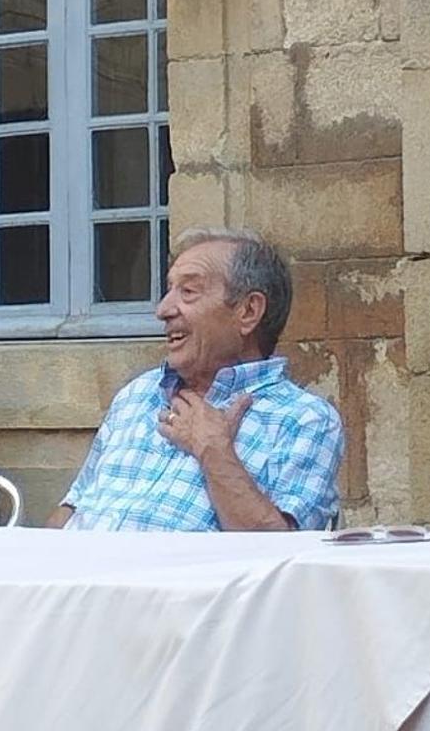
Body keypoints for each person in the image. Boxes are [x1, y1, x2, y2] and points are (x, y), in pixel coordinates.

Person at [46, 228, 344, 532]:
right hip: (79, 576)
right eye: (169, 290)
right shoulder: (136, 395)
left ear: (248, 311)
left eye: (188, 292)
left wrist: (213, 450)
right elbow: (74, 507)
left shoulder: (305, 419)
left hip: (172, 580)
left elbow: (283, 557)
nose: (163, 310)